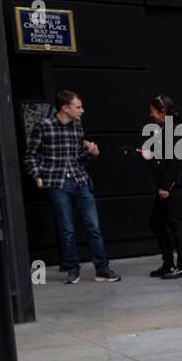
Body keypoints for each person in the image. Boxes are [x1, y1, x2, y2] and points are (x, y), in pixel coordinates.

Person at [23, 90, 120, 283]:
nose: (82, 110)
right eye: (78, 107)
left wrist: (93, 153)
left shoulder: (77, 126)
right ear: (65, 108)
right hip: (57, 183)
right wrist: (37, 176)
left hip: (80, 181)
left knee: (93, 227)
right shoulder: (44, 126)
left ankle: (102, 269)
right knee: (67, 230)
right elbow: (30, 155)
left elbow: (79, 158)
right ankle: (72, 270)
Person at [141, 95, 182, 278]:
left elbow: (174, 162)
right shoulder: (166, 128)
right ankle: (169, 263)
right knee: (157, 223)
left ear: (162, 112)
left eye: (153, 112)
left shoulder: (175, 129)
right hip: (169, 185)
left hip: (174, 186)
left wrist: (165, 187)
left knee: (175, 224)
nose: (151, 115)